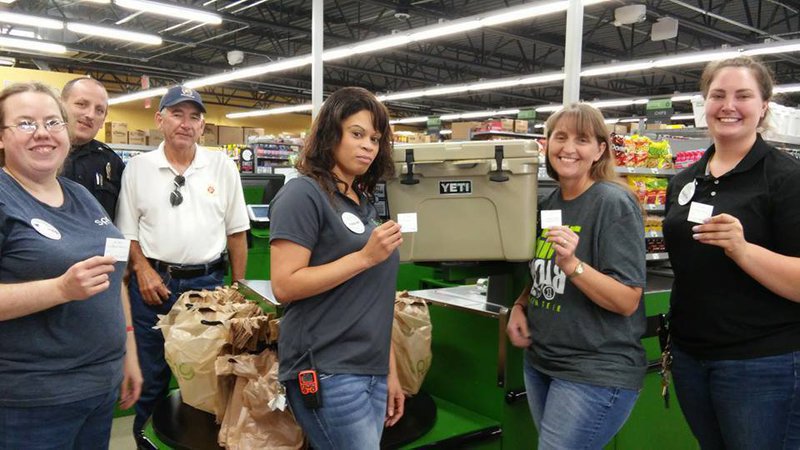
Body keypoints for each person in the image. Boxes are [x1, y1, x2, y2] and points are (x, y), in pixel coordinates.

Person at [663, 56, 800, 450]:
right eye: (718, 95)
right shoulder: (687, 180)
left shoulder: (785, 178)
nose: (728, 106)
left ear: (763, 107)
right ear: (703, 104)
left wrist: (743, 250)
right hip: (692, 355)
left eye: (743, 95)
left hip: (761, 362)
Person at [0, 82, 141, 448]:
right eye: (26, 124)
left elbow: (112, 278)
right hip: (32, 401)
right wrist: (59, 289)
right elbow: (72, 284)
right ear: (1, 138)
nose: (43, 133)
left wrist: (129, 353)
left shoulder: (80, 195)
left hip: (99, 388)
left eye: (52, 122)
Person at [269, 86, 405, 449]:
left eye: (375, 138)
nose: (368, 146)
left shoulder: (362, 202)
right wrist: (364, 257)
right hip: (327, 369)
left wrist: (389, 369)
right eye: (357, 134)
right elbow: (284, 284)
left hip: (369, 369)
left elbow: (374, 296)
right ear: (331, 134)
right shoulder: (303, 195)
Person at [506, 103, 647, 449]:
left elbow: (627, 299)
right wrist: (520, 305)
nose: (568, 148)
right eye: (560, 137)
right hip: (542, 361)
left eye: (582, 139)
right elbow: (542, 269)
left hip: (594, 370)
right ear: (546, 143)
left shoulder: (612, 203)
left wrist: (575, 266)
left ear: (600, 149)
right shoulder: (549, 202)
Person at [116, 85, 250, 444]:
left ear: (202, 126)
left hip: (208, 287)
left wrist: (238, 289)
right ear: (160, 119)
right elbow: (126, 233)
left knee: (209, 379)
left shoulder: (222, 166)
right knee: (150, 380)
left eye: (194, 117)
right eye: (177, 114)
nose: (186, 124)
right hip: (152, 287)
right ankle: (146, 442)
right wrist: (142, 270)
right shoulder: (139, 168)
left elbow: (237, 233)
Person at [60, 77, 126, 222]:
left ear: (103, 120)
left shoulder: (111, 163)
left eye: (99, 110)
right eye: (81, 104)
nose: (90, 115)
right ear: (60, 106)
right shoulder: (37, 154)